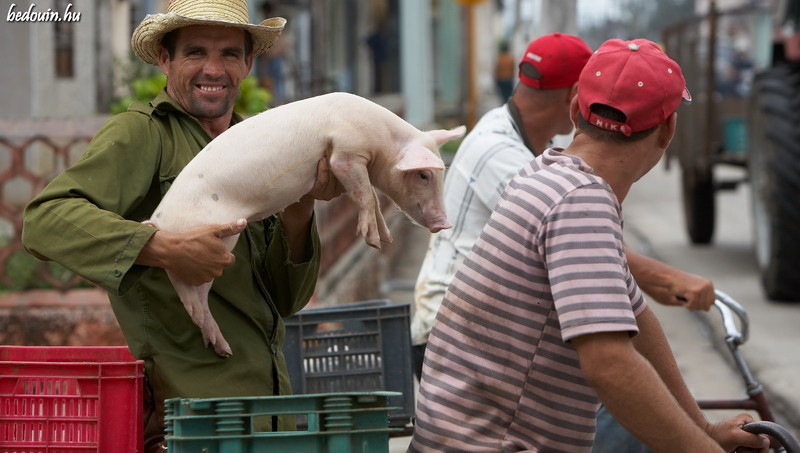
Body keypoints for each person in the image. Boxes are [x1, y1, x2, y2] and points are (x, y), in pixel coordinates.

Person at [408, 38, 770, 452]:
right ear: (668, 129)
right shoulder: (580, 201)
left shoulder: (549, 173)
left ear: (576, 108)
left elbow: (638, 319)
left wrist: (702, 430)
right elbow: (610, 365)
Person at [21, 1, 342, 451]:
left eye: (230, 54)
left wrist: (301, 204)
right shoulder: (143, 133)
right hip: (189, 422)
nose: (214, 69)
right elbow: (44, 220)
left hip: (270, 418)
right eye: (194, 52)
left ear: (249, 63)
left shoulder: (256, 145)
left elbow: (284, 300)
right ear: (164, 59)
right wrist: (162, 247)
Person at [411, 32, 715, 383]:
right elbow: (579, 233)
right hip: (456, 333)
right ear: (576, 100)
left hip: (492, 324)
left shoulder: (545, 148)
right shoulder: (499, 151)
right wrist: (669, 279)